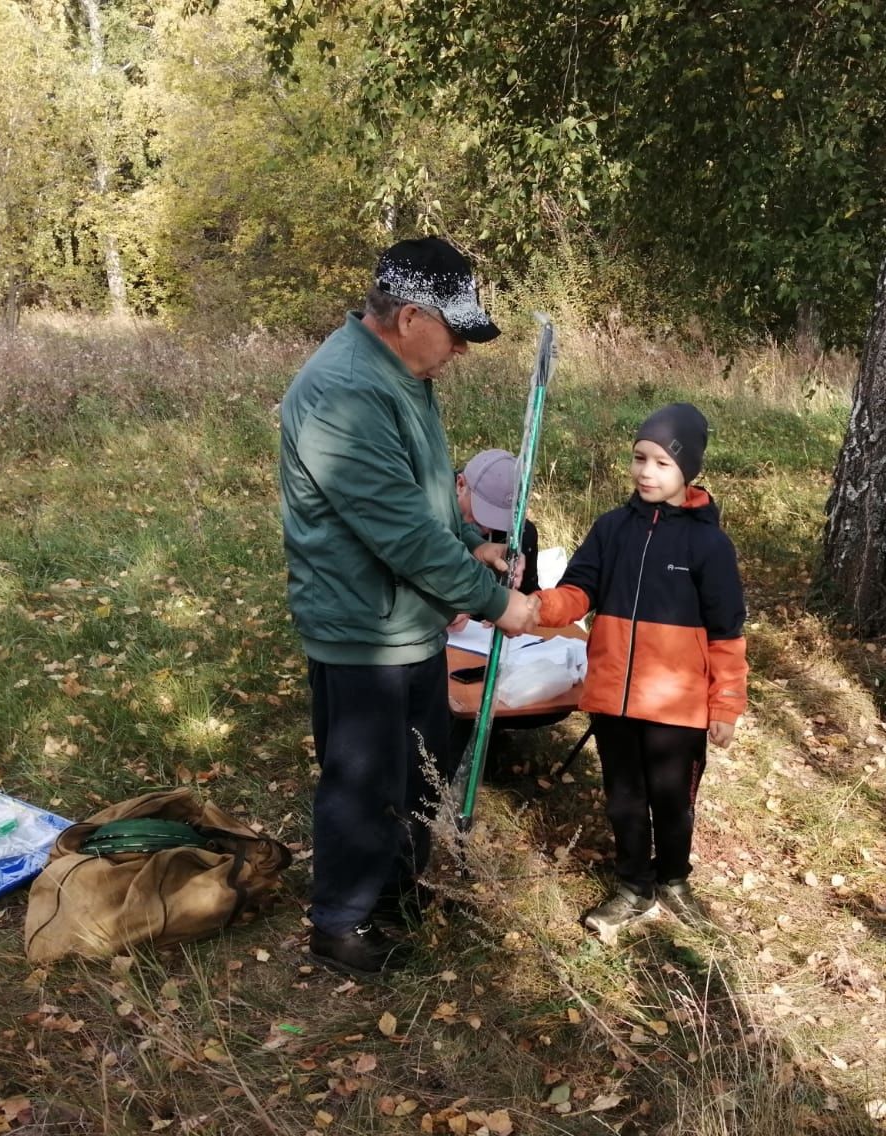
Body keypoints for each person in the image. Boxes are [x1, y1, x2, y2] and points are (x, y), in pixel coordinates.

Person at [279, 236, 540, 978]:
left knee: (418, 772)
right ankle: (341, 922)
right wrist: (497, 604)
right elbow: (394, 531)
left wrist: (471, 542)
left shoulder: (400, 374)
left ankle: (398, 890)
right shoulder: (346, 393)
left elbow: (420, 494)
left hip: (410, 621)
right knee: (363, 781)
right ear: (410, 316)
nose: (459, 348)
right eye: (454, 332)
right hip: (364, 628)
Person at [533, 403, 747, 940]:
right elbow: (579, 589)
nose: (645, 472)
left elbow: (726, 634)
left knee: (672, 799)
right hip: (612, 698)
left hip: (676, 706)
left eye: (661, 462)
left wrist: (725, 705)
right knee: (624, 799)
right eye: (639, 458)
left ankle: (674, 878)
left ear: (687, 470)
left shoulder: (709, 546)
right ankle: (634, 886)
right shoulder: (612, 529)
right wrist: (540, 608)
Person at [457, 448, 540, 594]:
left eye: (498, 518)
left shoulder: (522, 537)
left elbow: (529, 592)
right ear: (460, 485)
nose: (487, 528)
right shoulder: (428, 512)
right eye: (482, 512)